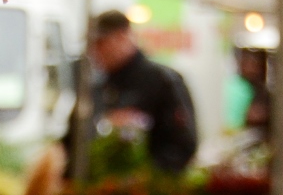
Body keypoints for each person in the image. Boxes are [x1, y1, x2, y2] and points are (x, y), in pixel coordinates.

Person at [75, 10, 198, 174]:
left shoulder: (162, 81)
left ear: (123, 36)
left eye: (100, 43)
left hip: (146, 194)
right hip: (100, 191)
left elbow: (183, 146)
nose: (94, 51)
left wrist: (142, 176)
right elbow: (74, 140)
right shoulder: (96, 89)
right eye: (91, 45)